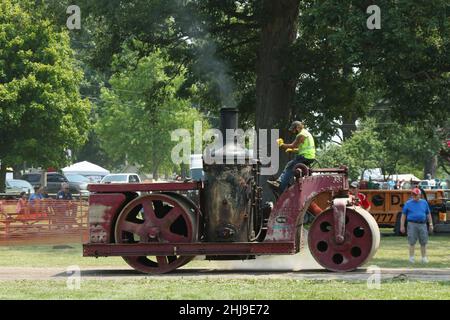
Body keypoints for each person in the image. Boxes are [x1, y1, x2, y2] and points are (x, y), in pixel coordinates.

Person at [268, 121, 316, 193]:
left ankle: (280, 186)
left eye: (293, 130)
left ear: (297, 128)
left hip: (305, 157)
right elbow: (302, 148)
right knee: (291, 164)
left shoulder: (301, 135)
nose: (293, 132)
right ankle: (282, 182)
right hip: (309, 157)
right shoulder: (306, 133)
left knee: (290, 166)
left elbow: (293, 145)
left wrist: (281, 144)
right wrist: (292, 150)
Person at [400, 187, 433, 263]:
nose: (414, 196)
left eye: (416, 195)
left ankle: (424, 258)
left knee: (423, 242)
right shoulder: (408, 203)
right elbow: (403, 215)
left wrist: (431, 224)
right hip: (412, 224)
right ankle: (411, 258)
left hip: (423, 224)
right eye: (413, 194)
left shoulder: (424, 203)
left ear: (420, 195)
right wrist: (402, 226)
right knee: (411, 241)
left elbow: (428, 214)